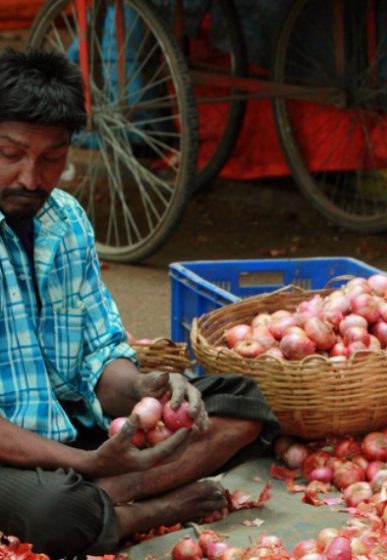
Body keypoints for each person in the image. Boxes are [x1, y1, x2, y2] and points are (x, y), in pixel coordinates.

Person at [0, 48, 281, 557]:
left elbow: (98, 354)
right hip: (13, 456)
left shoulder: (66, 221)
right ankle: (144, 503)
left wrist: (145, 387)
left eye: (51, 158)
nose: (30, 177)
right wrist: (87, 465)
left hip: (80, 435)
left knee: (243, 402)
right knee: (55, 512)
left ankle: (116, 495)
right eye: (10, 154)